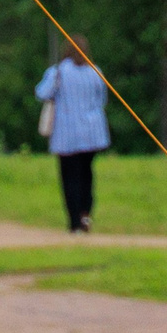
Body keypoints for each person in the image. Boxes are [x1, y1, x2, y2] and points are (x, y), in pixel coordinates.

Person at [35, 34, 111, 233]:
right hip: (92, 133)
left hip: (67, 134)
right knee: (87, 175)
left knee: (70, 178)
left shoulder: (59, 72)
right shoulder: (96, 72)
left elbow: (42, 93)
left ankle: (74, 221)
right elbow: (102, 100)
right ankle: (86, 214)